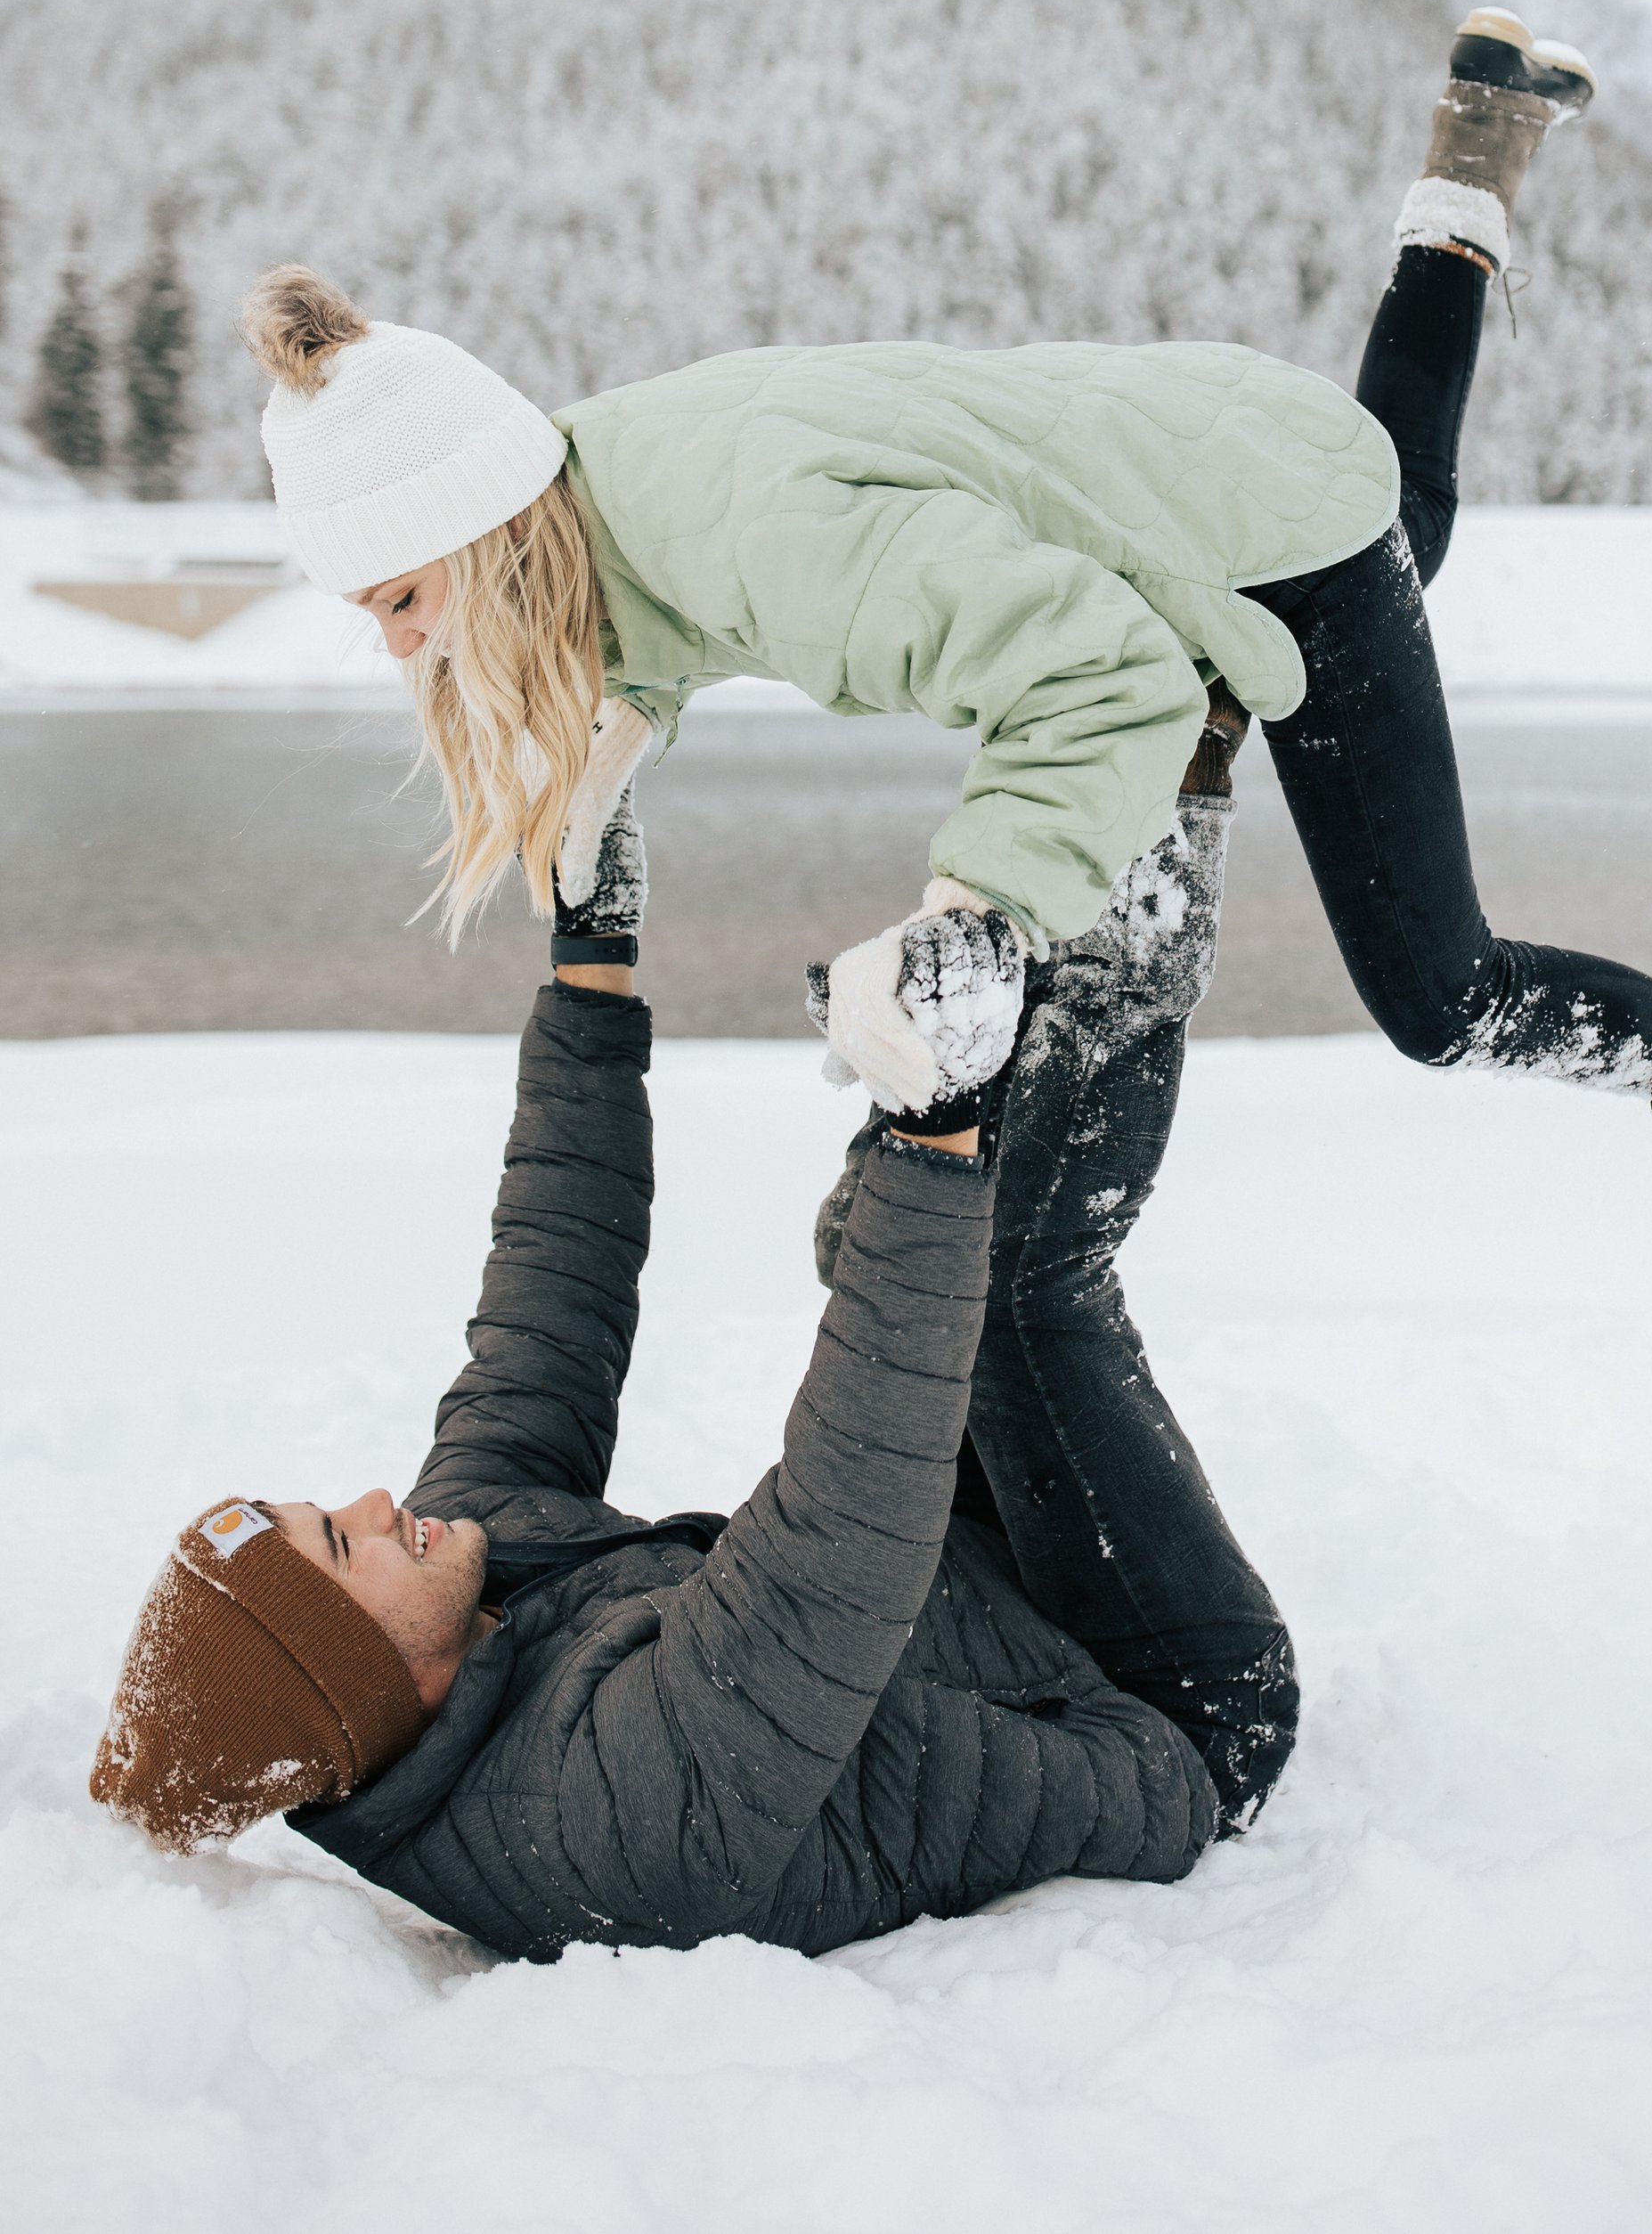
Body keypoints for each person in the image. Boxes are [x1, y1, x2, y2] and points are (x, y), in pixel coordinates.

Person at [240, 10, 1652, 1349]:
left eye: (400, 595)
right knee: (1411, 499)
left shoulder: (761, 541)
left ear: (485, 521)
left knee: (1443, 993)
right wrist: (620, 729)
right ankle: (1472, 163)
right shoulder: (597, 469)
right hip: (1186, 461)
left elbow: (1097, 683)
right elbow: (652, 606)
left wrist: (975, 913)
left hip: (1256, 557)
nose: (400, 642)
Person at [91, 737, 1296, 1944]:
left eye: (320, 1515)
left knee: (887, 1235)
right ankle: (1170, 790)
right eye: (343, 1550)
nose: (365, 1500)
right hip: (1150, 1707)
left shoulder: (465, 1592)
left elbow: (545, 1304)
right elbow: (838, 1538)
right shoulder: (600, 1819)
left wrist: (590, 958)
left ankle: (1105, 775)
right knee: (1015, 1278)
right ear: (364, 1682)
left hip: (990, 1588)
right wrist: (935, 1125)